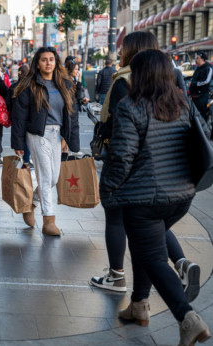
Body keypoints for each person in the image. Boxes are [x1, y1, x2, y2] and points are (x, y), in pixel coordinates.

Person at [100, 49, 211, 345]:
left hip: (144, 199)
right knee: (145, 248)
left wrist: (108, 190)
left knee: (152, 257)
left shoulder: (130, 106)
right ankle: (139, 304)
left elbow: (122, 156)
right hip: (182, 196)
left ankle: (187, 318)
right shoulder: (183, 102)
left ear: (140, 75)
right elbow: (204, 135)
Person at [90, 32, 200, 303]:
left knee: (119, 219)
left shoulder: (124, 81)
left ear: (132, 51)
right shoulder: (172, 77)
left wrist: (109, 187)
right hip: (171, 172)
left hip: (134, 168)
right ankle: (177, 267)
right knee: (153, 225)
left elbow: (121, 134)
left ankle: (117, 275)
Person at [11, 47, 79, 235]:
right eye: (43, 60)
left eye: (51, 59)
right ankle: (49, 220)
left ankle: (31, 203)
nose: (48, 63)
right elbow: (19, 117)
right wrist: (18, 144)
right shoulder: (29, 85)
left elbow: (72, 114)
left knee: (53, 178)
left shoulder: (64, 84)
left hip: (57, 134)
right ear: (37, 63)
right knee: (46, 176)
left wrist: (69, 138)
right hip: (37, 134)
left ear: (56, 62)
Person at [7, 64, 31, 167]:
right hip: (28, 117)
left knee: (18, 138)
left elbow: (8, 104)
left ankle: (20, 158)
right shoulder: (30, 87)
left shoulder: (13, 87)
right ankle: (26, 160)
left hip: (16, 117)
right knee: (27, 139)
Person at [189, 52, 212, 122]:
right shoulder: (198, 68)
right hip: (194, 97)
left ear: (202, 59)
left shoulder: (207, 68)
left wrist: (193, 84)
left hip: (201, 97)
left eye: (197, 58)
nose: (196, 59)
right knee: (194, 115)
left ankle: (203, 131)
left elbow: (205, 81)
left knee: (201, 115)